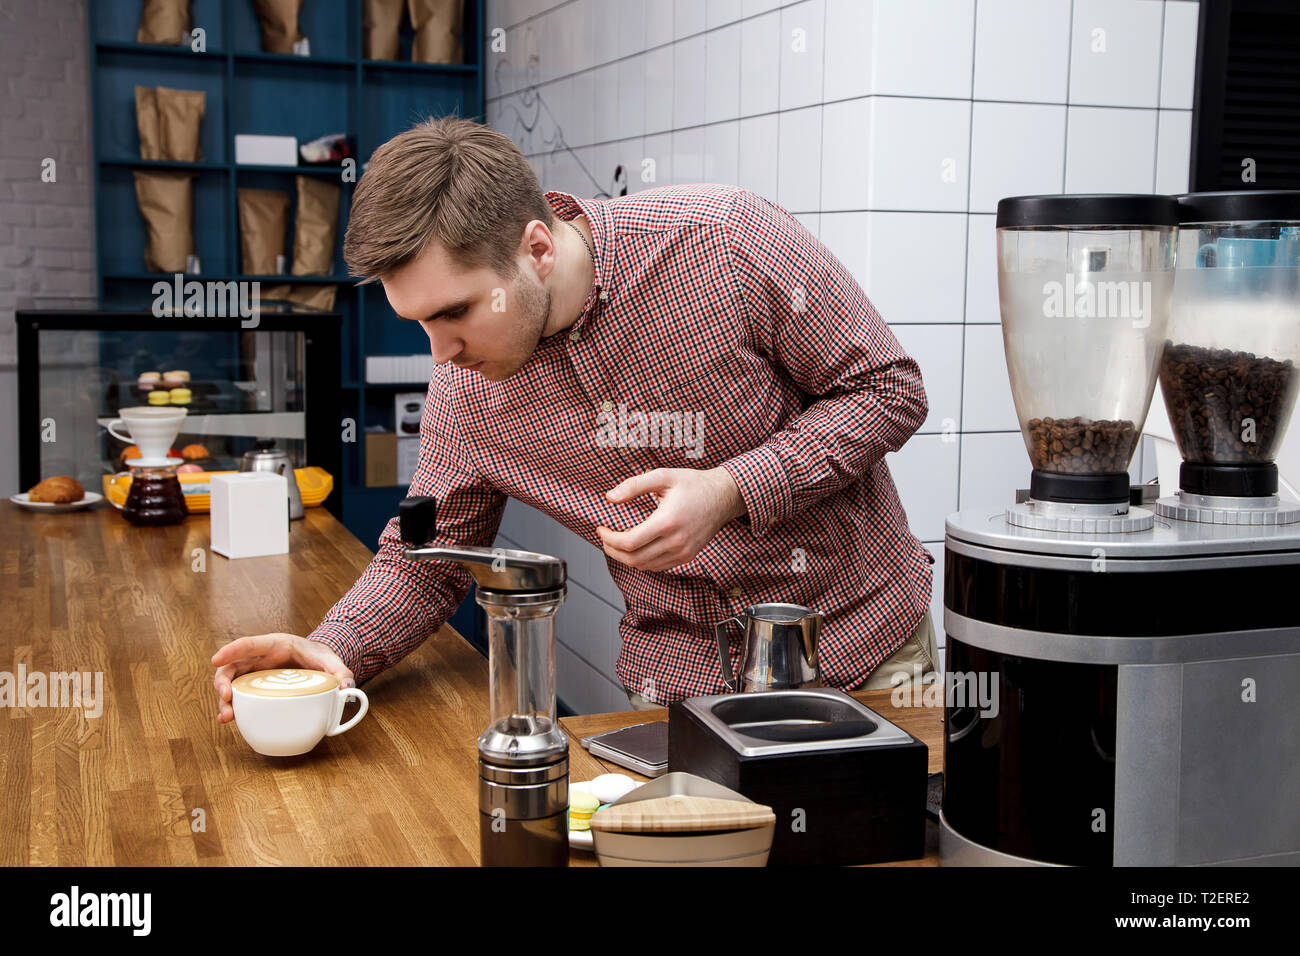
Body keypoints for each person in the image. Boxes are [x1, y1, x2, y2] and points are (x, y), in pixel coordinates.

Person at [212, 117, 936, 721]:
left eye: (456, 312)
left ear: (536, 249)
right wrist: (334, 650)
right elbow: (424, 557)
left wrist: (733, 489)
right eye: (418, 323)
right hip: (676, 694)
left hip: (866, 653)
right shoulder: (463, 392)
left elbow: (887, 387)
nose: (442, 354)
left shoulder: (725, 239)